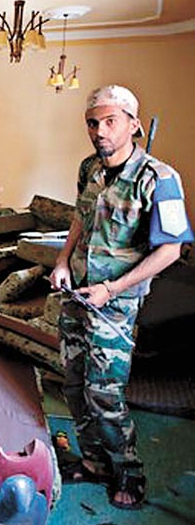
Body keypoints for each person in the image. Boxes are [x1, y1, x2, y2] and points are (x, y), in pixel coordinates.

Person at [50, 85, 194, 509]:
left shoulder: (159, 179)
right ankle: (93, 462)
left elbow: (172, 250)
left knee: (105, 393)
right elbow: (80, 216)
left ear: (134, 125)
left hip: (115, 303)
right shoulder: (89, 168)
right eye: (93, 123)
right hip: (77, 293)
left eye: (111, 121)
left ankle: (128, 471)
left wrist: (112, 289)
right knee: (74, 384)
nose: (100, 131)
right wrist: (62, 260)